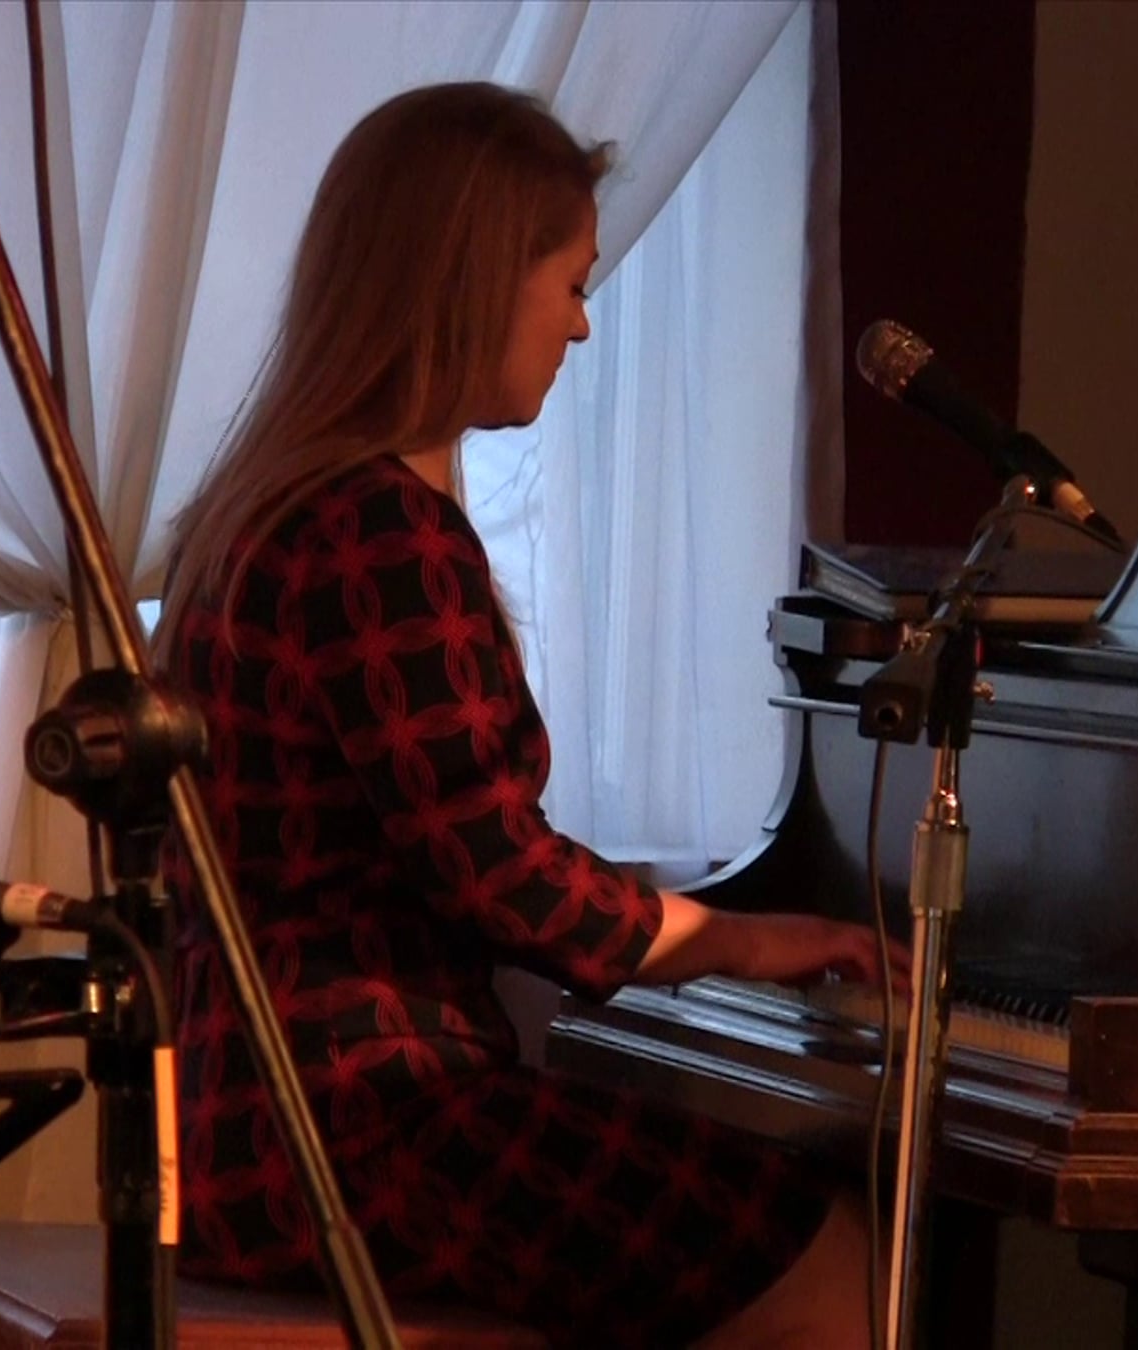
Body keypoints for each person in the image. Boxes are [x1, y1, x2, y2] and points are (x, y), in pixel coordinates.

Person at [155, 81, 906, 1349]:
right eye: (567, 283)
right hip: (363, 1125)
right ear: (472, 282)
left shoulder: (266, 509)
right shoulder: (380, 534)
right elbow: (496, 875)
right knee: (832, 1261)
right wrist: (740, 942)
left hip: (247, 1120)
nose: (580, 325)